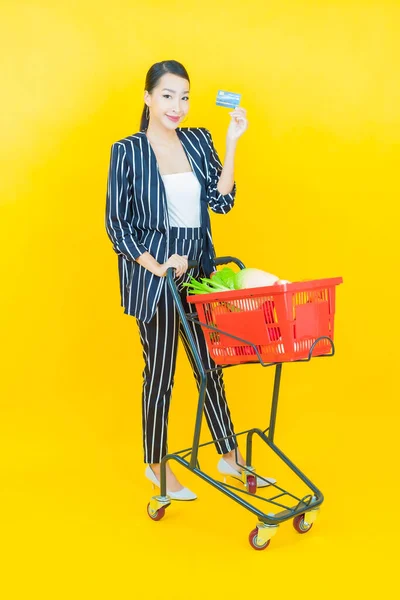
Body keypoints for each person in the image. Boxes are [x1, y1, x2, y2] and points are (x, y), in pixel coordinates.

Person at [105, 60, 275, 500]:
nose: (177, 106)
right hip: (155, 276)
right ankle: (156, 464)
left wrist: (232, 143)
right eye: (167, 96)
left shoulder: (199, 141)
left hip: (198, 272)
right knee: (161, 373)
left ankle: (228, 455)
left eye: (184, 97)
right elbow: (117, 224)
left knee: (210, 364)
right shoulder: (127, 151)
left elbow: (221, 202)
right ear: (147, 97)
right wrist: (157, 264)